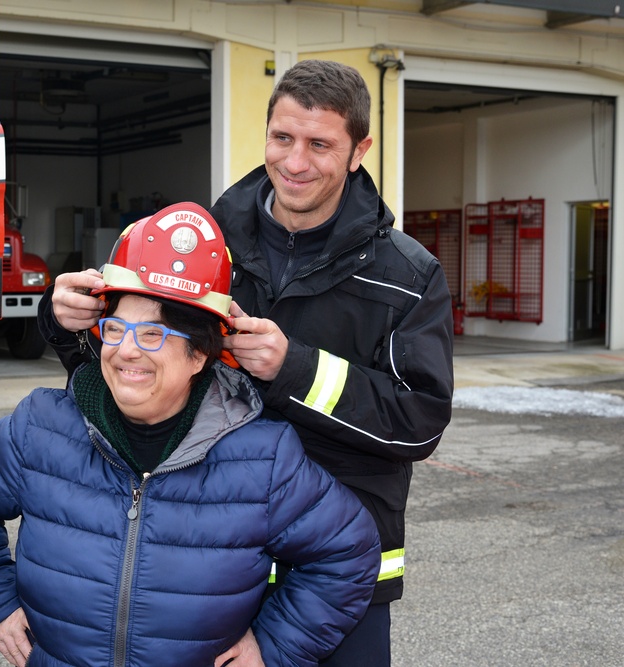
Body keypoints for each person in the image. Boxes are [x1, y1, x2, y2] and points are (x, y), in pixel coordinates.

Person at [38, 60, 454, 666]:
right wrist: (64, 321)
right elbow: (127, 378)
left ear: (359, 150)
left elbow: (420, 422)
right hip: (207, 559)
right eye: (282, 138)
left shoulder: (407, 276)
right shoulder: (198, 247)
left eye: (320, 144)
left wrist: (296, 370)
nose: (295, 162)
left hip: (338, 573)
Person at [0, 203, 381, 667]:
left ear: (201, 354)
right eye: (117, 328)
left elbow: (348, 553)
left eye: (153, 334)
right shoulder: (43, 427)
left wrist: (274, 646)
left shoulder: (261, 458)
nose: (125, 350)